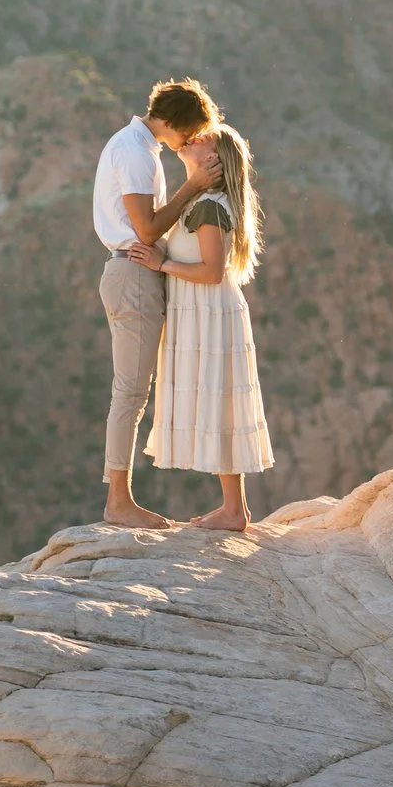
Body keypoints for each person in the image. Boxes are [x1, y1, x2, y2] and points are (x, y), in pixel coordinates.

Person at [131, 117, 273, 529]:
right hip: (203, 311)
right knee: (219, 401)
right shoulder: (200, 200)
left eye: (203, 137)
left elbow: (212, 271)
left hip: (209, 310)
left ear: (215, 159)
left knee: (219, 400)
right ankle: (234, 509)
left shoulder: (210, 206)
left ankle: (234, 511)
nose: (193, 137)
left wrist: (163, 263)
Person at [91, 78, 221, 527]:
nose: (187, 142)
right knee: (130, 391)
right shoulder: (134, 154)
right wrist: (194, 185)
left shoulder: (139, 148)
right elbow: (146, 230)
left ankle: (120, 499)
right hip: (132, 271)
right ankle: (118, 503)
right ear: (167, 123)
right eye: (186, 133)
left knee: (134, 390)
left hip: (134, 271)